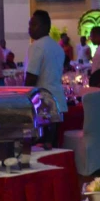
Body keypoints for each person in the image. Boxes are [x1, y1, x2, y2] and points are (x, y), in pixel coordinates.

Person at [25, 10, 66, 147]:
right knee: (54, 146)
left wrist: (24, 99)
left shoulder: (36, 46)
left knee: (41, 147)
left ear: (44, 27)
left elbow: (31, 77)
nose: (29, 28)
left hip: (42, 103)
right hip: (58, 101)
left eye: (33, 25)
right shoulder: (58, 47)